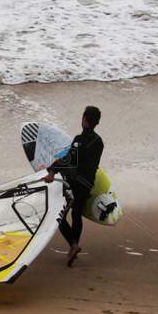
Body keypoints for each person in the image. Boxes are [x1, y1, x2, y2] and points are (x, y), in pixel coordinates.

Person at [45, 106, 103, 267]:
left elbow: (70, 158)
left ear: (84, 120)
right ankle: (74, 246)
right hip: (88, 184)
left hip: (74, 182)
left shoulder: (79, 139)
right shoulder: (99, 142)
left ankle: (73, 244)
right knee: (76, 214)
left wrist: (52, 171)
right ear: (96, 122)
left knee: (60, 217)